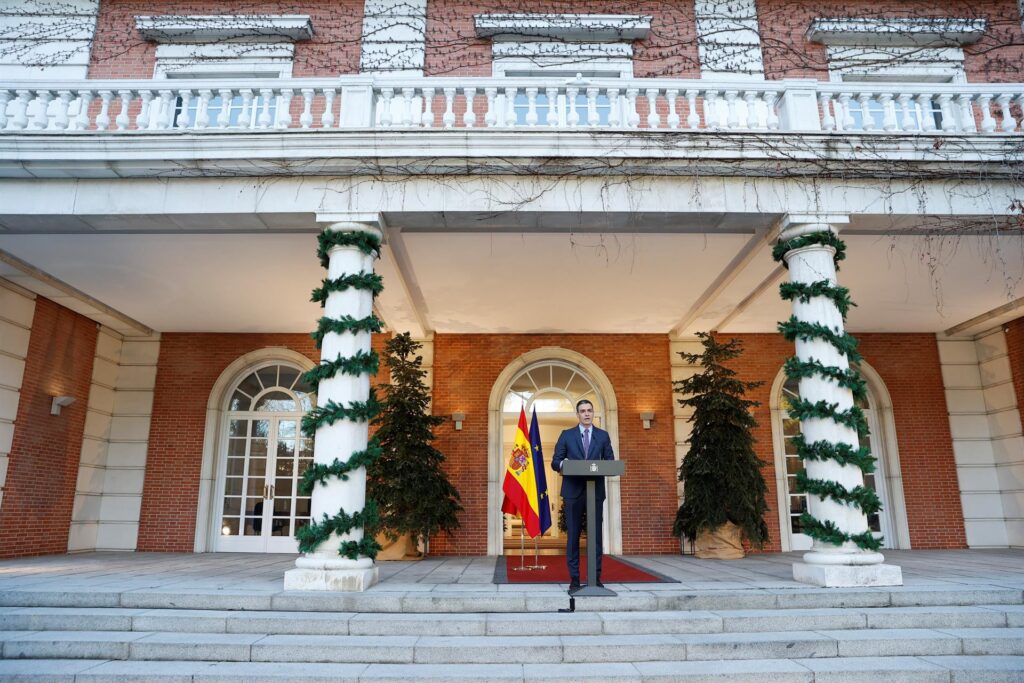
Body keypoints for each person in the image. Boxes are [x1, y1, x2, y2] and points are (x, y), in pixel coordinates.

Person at [551, 399, 614, 593]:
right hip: (573, 491)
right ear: (577, 415)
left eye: (589, 410)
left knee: (595, 536)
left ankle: (595, 578)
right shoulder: (566, 435)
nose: (586, 414)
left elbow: (610, 462)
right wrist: (565, 465)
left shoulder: (602, 436)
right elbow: (555, 462)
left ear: (592, 413)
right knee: (573, 537)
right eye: (582, 411)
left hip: (595, 491)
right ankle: (575, 579)